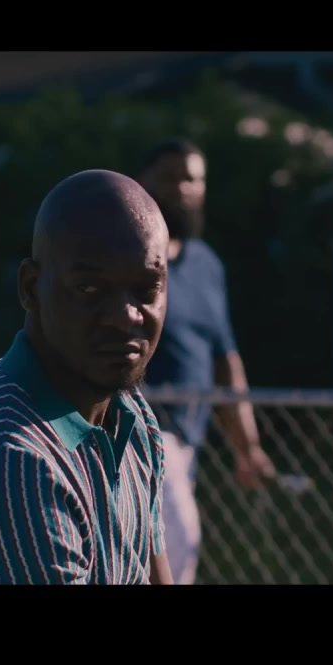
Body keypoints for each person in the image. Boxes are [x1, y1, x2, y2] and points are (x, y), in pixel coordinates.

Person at [0, 169, 174, 585]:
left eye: (146, 289)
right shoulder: (8, 460)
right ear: (30, 287)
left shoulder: (131, 417)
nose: (125, 317)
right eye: (90, 289)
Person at [136, 138, 276, 585]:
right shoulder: (126, 259)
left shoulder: (206, 265)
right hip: (135, 435)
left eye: (192, 179)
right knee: (181, 545)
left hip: (186, 442)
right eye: (169, 177)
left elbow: (225, 360)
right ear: (143, 183)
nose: (182, 188)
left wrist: (247, 446)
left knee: (151, 562)